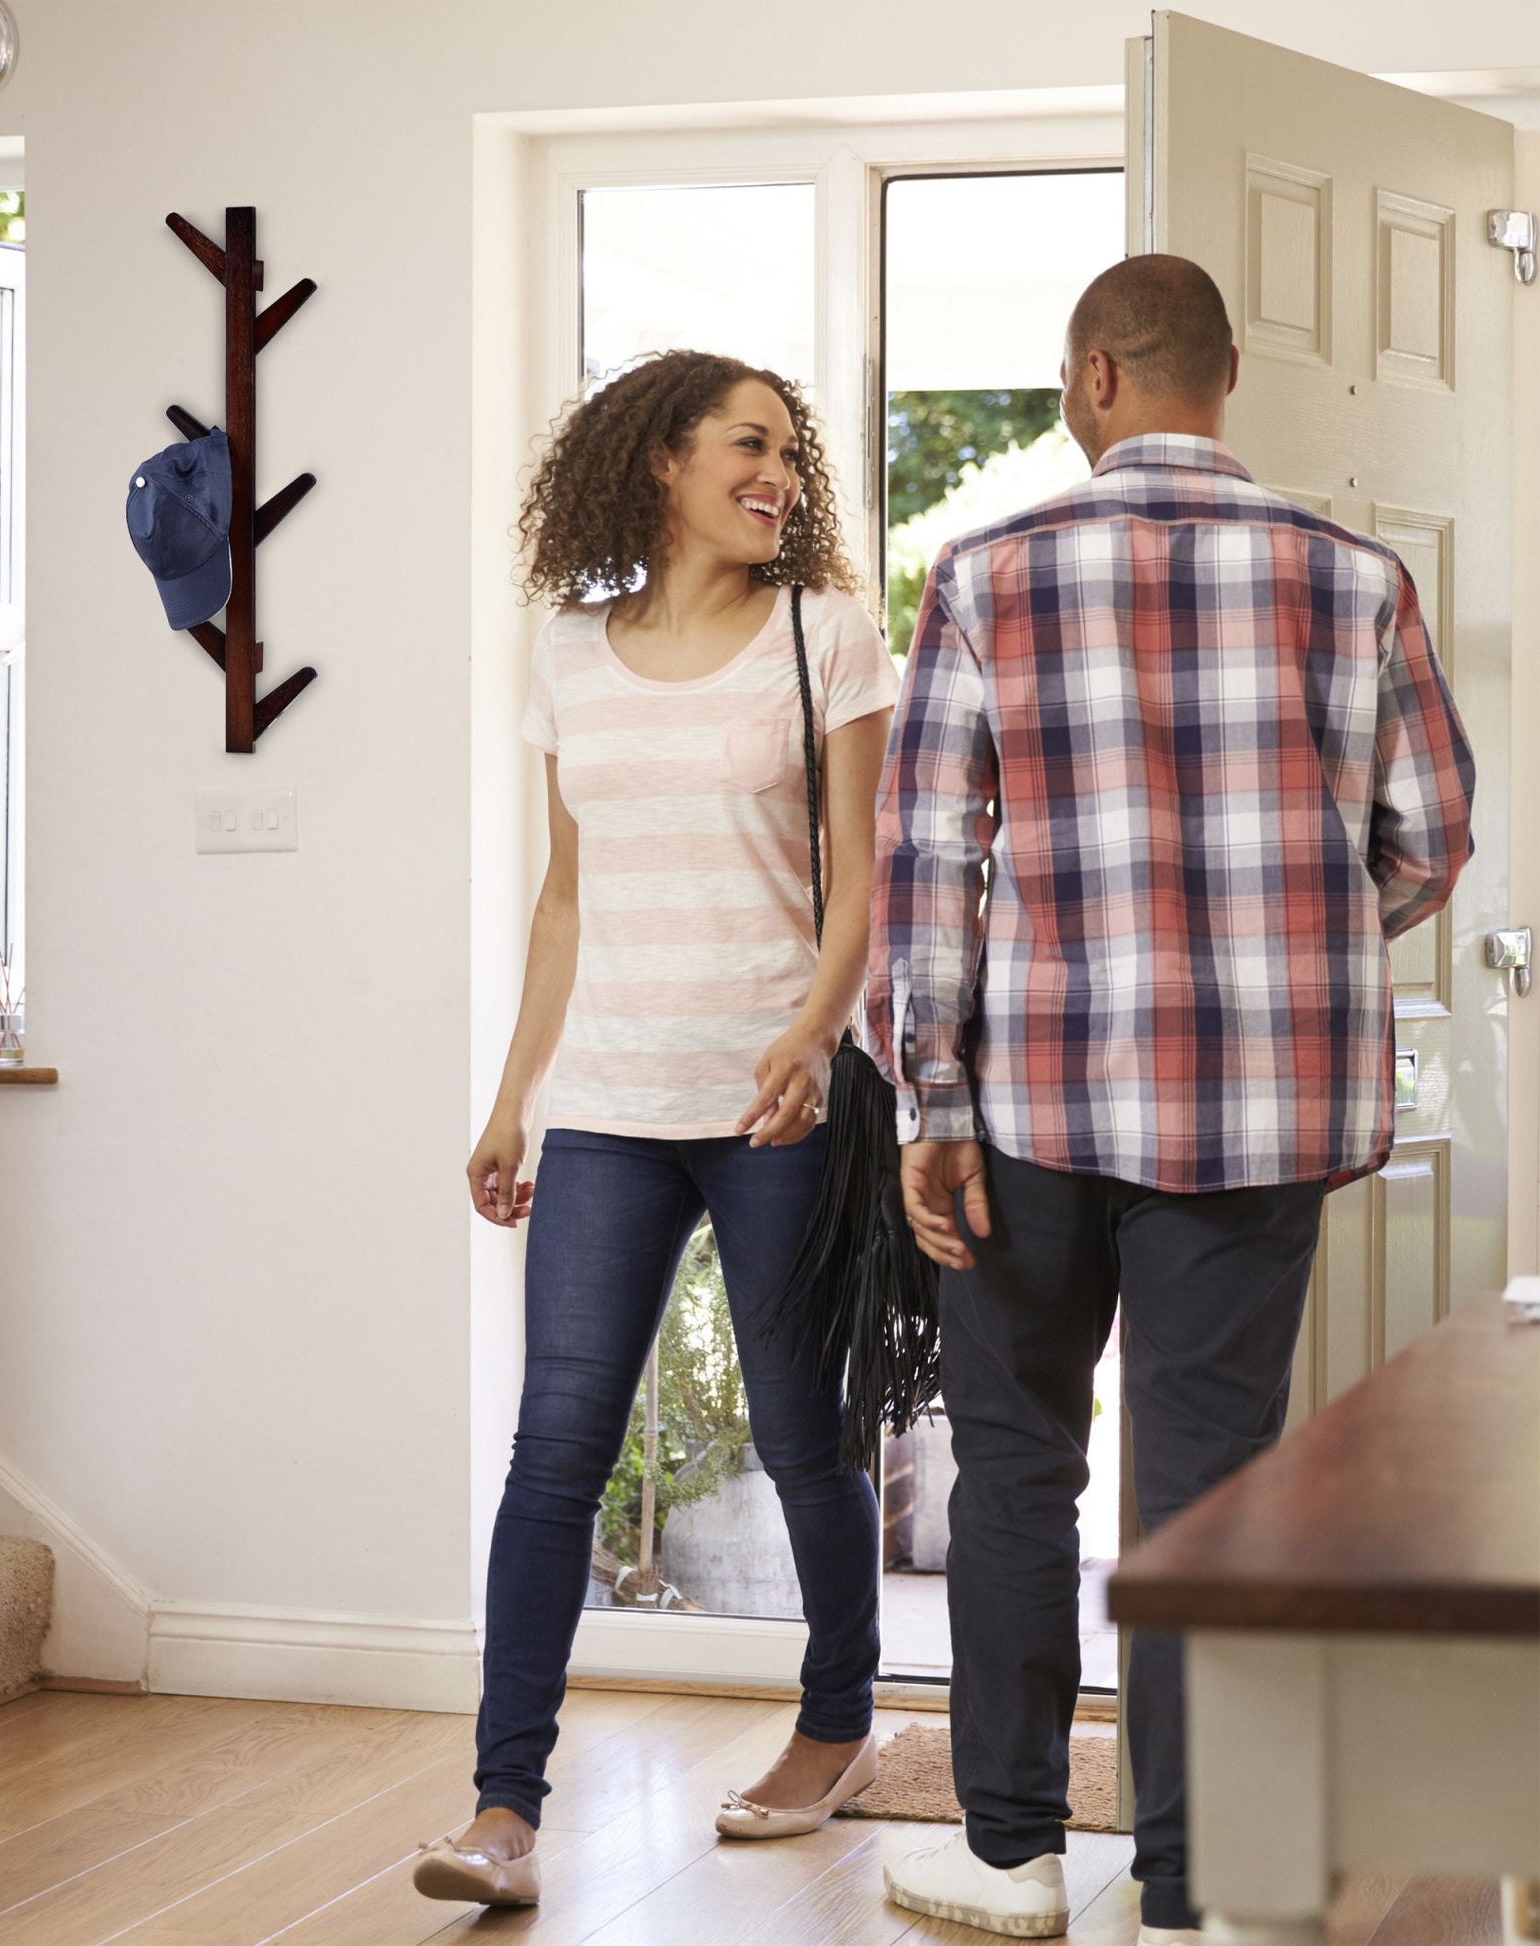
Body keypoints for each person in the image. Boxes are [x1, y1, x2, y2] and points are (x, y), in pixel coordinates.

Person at [872, 255, 1474, 1946]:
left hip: (1024, 1107)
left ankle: (1008, 1857)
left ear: (1091, 381)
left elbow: (927, 863)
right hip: (1253, 1112)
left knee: (1010, 1466)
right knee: (1208, 1490)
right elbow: (1427, 834)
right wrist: (1284, 936)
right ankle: (1191, 1889)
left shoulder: (990, 576)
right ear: (1224, 381)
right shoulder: (1352, 578)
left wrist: (929, 1096)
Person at [412, 350, 897, 1909]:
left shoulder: (824, 634)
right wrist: (513, 1095)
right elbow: (563, 898)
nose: (780, 474)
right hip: (606, 1103)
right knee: (554, 1446)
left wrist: (814, 1034)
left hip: (773, 1102)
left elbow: (859, 876)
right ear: (658, 463)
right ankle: (502, 1808)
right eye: (746, 445)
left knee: (799, 1429)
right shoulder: (565, 650)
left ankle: (833, 1724)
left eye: (789, 451)